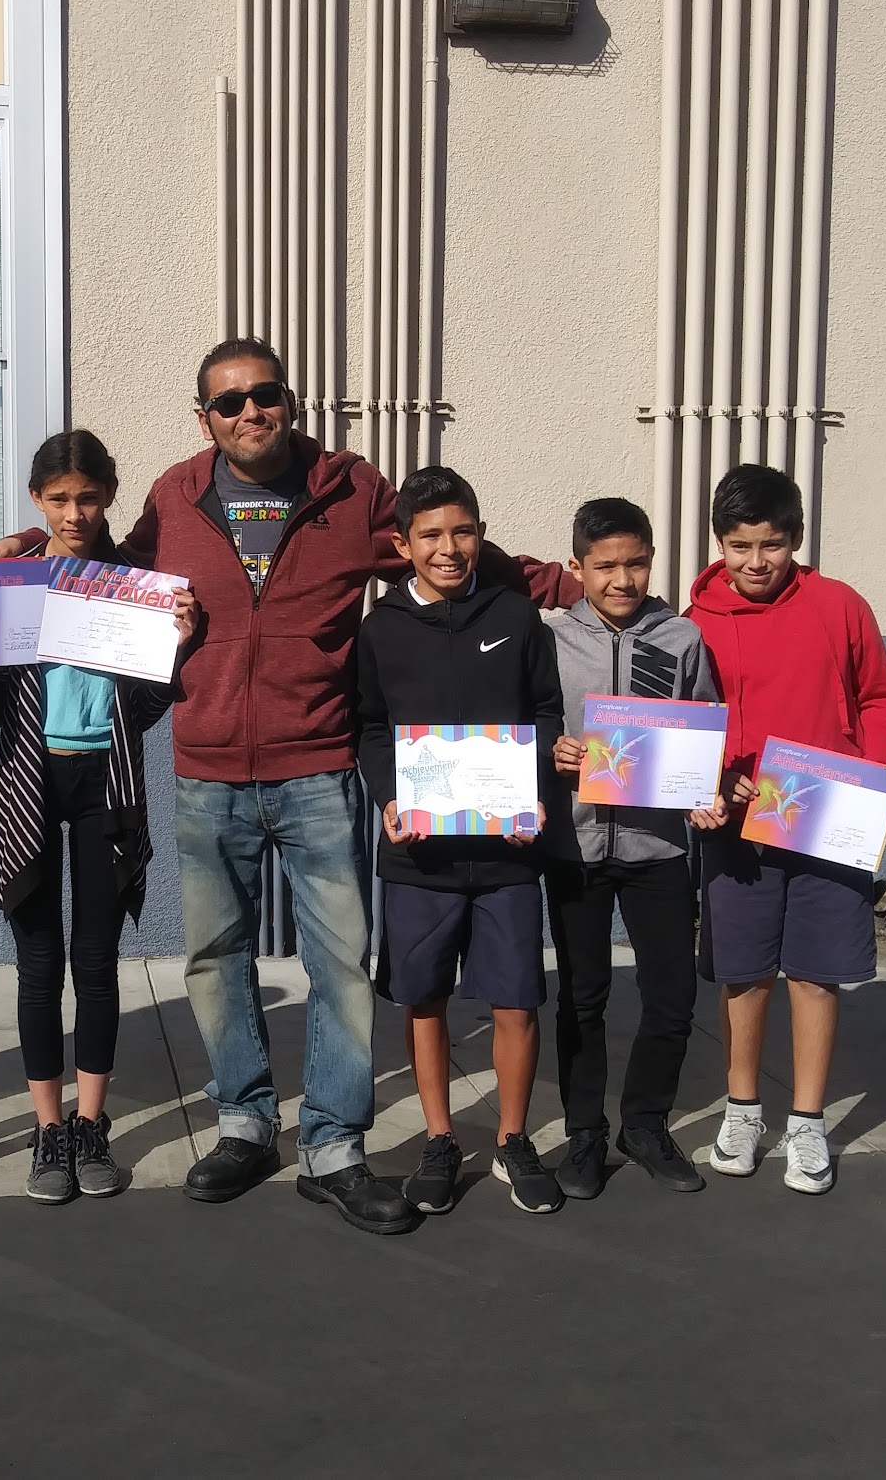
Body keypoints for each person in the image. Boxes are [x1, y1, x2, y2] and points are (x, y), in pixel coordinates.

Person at [0, 338, 571, 1235]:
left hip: (318, 766)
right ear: (204, 419)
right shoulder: (175, 497)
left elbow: (445, 543)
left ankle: (333, 1144)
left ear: (290, 402)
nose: (249, 411)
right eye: (228, 402)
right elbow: (107, 568)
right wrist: (25, 553)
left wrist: (567, 582)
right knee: (216, 959)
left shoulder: (350, 491)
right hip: (208, 770)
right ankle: (245, 1124)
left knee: (339, 964)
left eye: (264, 394)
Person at [0, 431, 198, 1204]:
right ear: (36, 499)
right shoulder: (10, 582)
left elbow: (143, 708)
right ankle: (49, 1127)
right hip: (30, 780)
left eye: (88, 497)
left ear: (109, 495)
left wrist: (175, 647)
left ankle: (90, 1121)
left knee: (97, 963)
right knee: (39, 965)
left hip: (107, 780)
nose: (74, 513)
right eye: (59, 499)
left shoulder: (134, 583)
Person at [687, 464, 886, 1195]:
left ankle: (808, 1122)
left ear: (797, 538)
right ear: (720, 543)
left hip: (829, 819)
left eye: (772, 545)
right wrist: (713, 778)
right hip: (738, 828)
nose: (756, 562)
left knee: (817, 974)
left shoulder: (840, 606)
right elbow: (687, 725)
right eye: (740, 546)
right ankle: (743, 1111)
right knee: (744, 974)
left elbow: (880, 699)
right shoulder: (694, 623)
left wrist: (880, 772)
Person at [355, 468, 566, 1216]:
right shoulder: (381, 628)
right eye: (431, 536)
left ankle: (512, 1138)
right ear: (402, 545)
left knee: (516, 999)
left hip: (508, 850)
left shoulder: (515, 614)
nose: (449, 549)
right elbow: (370, 727)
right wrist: (389, 796)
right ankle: (440, 1139)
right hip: (421, 853)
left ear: (481, 534)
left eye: (463, 532)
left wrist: (534, 791)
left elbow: (546, 711)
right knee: (424, 998)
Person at [545, 497, 719, 1200]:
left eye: (637, 563)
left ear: (652, 561)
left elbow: (704, 728)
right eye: (606, 566)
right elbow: (530, 725)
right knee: (581, 998)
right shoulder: (550, 640)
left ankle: (645, 1126)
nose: (623, 579)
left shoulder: (682, 638)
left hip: (659, 848)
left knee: (672, 997)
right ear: (577, 567)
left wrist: (703, 786)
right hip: (577, 848)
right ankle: (584, 1132)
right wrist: (551, 751)